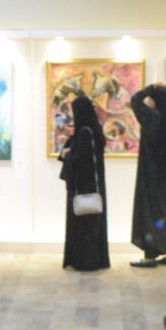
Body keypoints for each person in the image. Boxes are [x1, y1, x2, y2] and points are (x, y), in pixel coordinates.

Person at [129, 82, 166, 268]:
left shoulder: (153, 117)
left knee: (149, 211)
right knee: (164, 210)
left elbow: (135, 100)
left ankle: (150, 255)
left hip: (152, 172)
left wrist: (151, 88)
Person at [60, 93, 110, 272]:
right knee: (93, 223)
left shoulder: (84, 133)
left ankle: (84, 261)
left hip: (82, 187)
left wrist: (67, 153)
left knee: (82, 225)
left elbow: (79, 160)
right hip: (94, 187)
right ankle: (96, 259)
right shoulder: (95, 132)